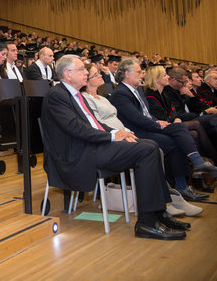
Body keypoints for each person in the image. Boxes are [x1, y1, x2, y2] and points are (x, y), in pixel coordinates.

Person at [41, 54, 187, 240]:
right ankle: (147, 222)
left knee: (151, 145)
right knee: (147, 150)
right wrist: (111, 136)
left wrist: (119, 132)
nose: (86, 72)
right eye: (82, 70)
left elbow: (94, 123)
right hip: (78, 154)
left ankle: (159, 214)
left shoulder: (76, 94)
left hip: (92, 145)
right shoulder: (57, 96)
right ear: (67, 74)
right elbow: (75, 129)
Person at [110, 58, 217, 201]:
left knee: (179, 129)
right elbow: (136, 119)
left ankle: (193, 170)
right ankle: (184, 182)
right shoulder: (121, 93)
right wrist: (158, 125)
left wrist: (157, 121)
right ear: (127, 74)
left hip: (148, 126)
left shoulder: (138, 90)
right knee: (176, 139)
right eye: (139, 72)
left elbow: (146, 115)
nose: (142, 75)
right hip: (137, 132)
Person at [144, 66, 217, 164]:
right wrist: (176, 118)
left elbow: (175, 112)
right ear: (157, 79)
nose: (168, 77)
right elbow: (163, 116)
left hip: (176, 122)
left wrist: (188, 98)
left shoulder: (163, 93)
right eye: (165, 75)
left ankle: (204, 165)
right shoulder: (152, 95)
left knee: (210, 129)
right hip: (164, 126)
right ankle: (210, 162)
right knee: (200, 123)